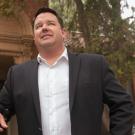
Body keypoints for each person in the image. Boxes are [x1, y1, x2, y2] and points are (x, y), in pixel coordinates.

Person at [0, 7, 133, 135]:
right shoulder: (16, 75)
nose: (44, 28)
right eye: (38, 26)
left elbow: (122, 104)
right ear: (34, 38)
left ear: (64, 33)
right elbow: (2, 107)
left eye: (50, 23)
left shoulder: (95, 65)